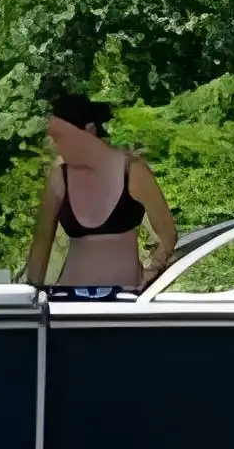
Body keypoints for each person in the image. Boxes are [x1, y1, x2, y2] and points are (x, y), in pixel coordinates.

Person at [26, 89, 174, 298]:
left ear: (89, 130)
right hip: (70, 298)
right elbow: (40, 248)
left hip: (124, 298)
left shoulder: (133, 171)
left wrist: (152, 271)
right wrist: (31, 300)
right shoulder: (60, 178)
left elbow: (168, 235)